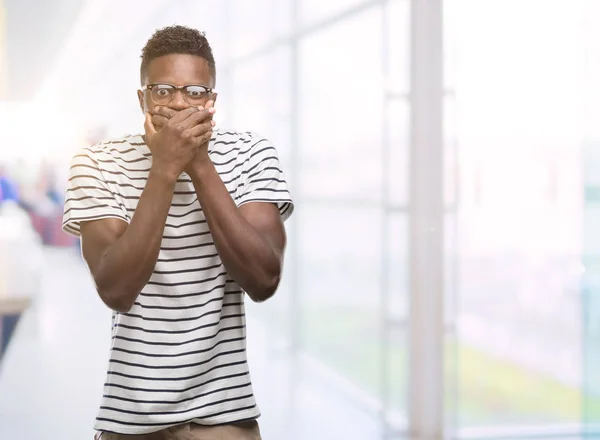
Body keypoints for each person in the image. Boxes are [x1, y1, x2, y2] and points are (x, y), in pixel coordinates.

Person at [62, 25, 293, 440]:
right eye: (163, 90)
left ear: (212, 101)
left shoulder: (252, 154)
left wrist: (198, 165)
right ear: (142, 98)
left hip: (226, 420)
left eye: (195, 92)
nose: (180, 104)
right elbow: (116, 289)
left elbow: (263, 279)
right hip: (130, 424)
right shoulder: (95, 164)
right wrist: (165, 168)